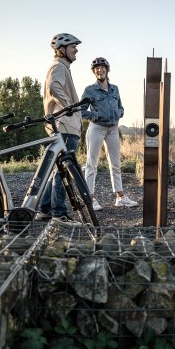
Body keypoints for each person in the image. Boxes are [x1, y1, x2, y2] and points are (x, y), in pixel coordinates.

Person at [36, 33, 83, 223]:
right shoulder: (58, 67)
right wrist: (68, 107)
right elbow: (54, 86)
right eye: (73, 47)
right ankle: (59, 213)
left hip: (63, 125)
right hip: (65, 125)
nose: (76, 50)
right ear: (62, 50)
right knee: (64, 171)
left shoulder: (62, 67)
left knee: (57, 171)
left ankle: (45, 209)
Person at [81, 57, 138, 210]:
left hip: (113, 129)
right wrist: (94, 116)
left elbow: (121, 106)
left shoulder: (115, 89)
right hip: (96, 129)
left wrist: (120, 113)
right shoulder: (90, 90)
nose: (100, 70)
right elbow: (81, 111)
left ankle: (120, 197)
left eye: (102, 67)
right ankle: (90, 199)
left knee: (116, 164)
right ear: (94, 71)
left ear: (107, 69)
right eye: (97, 68)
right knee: (91, 164)